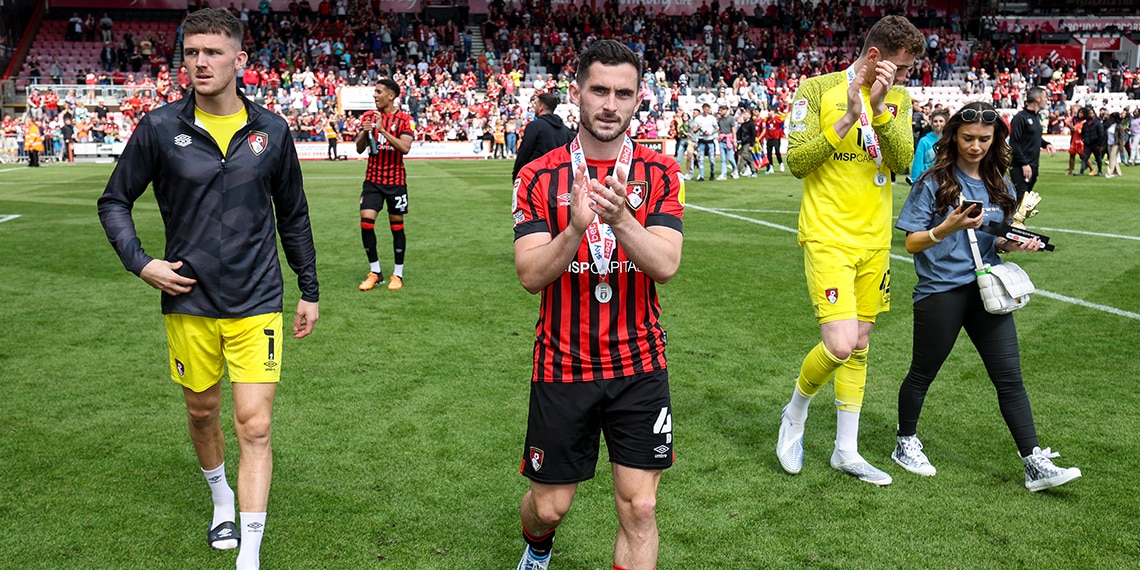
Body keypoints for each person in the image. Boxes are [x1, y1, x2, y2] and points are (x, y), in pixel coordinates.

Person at [96, 9, 319, 570]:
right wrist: (142, 263)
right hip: (188, 300)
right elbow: (114, 201)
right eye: (191, 52)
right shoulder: (158, 128)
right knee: (202, 411)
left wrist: (309, 288)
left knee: (256, 424)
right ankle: (221, 497)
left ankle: (250, 553)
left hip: (258, 299)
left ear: (239, 60)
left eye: (213, 52)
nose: (199, 62)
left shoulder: (271, 130)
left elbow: (293, 215)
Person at [510, 39, 684, 570]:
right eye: (599, 90)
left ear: (638, 100)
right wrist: (576, 230)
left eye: (623, 93)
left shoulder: (658, 172)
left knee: (641, 506)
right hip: (564, 364)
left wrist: (621, 220)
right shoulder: (538, 175)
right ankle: (537, 545)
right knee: (549, 506)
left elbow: (666, 264)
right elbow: (529, 275)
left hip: (639, 365)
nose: (610, 103)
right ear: (577, 92)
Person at [892, 102, 1081, 492]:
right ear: (954, 137)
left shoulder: (1002, 184)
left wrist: (1015, 244)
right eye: (967, 138)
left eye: (983, 139)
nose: (975, 146)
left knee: (1009, 378)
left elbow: (993, 242)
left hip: (986, 289)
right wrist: (946, 227)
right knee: (923, 373)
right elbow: (911, 243)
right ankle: (905, 441)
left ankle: (1033, 462)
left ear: (996, 140)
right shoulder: (932, 181)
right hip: (940, 290)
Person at [776, 15, 925, 486]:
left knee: (858, 345)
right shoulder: (816, 89)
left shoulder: (898, 98)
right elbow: (797, 161)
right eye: (901, 68)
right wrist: (847, 116)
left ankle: (846, 450)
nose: (906, 77)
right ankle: (795, 412)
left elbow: (901, 160)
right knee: (839, 344)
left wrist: (878, 108)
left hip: (874, 240)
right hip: (827, 235)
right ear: (876, 57)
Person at [355, 78, 414, 292]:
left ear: (391, 95)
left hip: (395, 182)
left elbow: (405, 148)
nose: (375, 95)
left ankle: (397, 274)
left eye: (378, 91)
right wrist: (365, 131)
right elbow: (360, 149)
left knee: (396, 226)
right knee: (366, 222)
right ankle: (375, 271)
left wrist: (383, 130)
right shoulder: (368, 116)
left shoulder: (405, 119)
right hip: (373, 180)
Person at [1008, 87, 1056, 203]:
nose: (1047, 100)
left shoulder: (1036, 117)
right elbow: (1014, 143)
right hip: (1021, 165)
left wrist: (1046, 144)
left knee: (1026, 198)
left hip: (1033, 164)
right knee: (1020, 196)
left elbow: (1035, 137)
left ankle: (1019, 221)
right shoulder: (1020, 118)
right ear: (1037, 99)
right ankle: (1010, 220)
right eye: (1045, 97)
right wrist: (1024, 163)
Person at [512, 92, 574, 181]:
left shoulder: (534, 126)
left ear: (541, 107)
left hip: (537, 178)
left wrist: (516, 175)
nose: (534, 107)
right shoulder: (566, 131)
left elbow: (524, 152)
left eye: (536, 104)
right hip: (559, 180)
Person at [910, 108, 948, 183]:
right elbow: (918, 162)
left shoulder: (950, 140)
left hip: (945, 179)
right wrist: (914, 180)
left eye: (941, 121)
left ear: (946, 123)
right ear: (931, 123)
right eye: (935, 121)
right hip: (928, 180)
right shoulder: (924, 141)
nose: (938, 124)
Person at [692, 103, 718, 181]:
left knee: (712, 160)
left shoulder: (712, 118)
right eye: (706, 109)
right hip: (701, 140)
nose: (707, 111)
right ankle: (701, 176)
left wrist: (711, 132)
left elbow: (717, 128)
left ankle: (712, 172)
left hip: (710, 140)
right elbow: (694, 130)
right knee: (701, 159)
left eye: (708, 109)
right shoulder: (698, 119)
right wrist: (698, 128)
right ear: (703, 109)